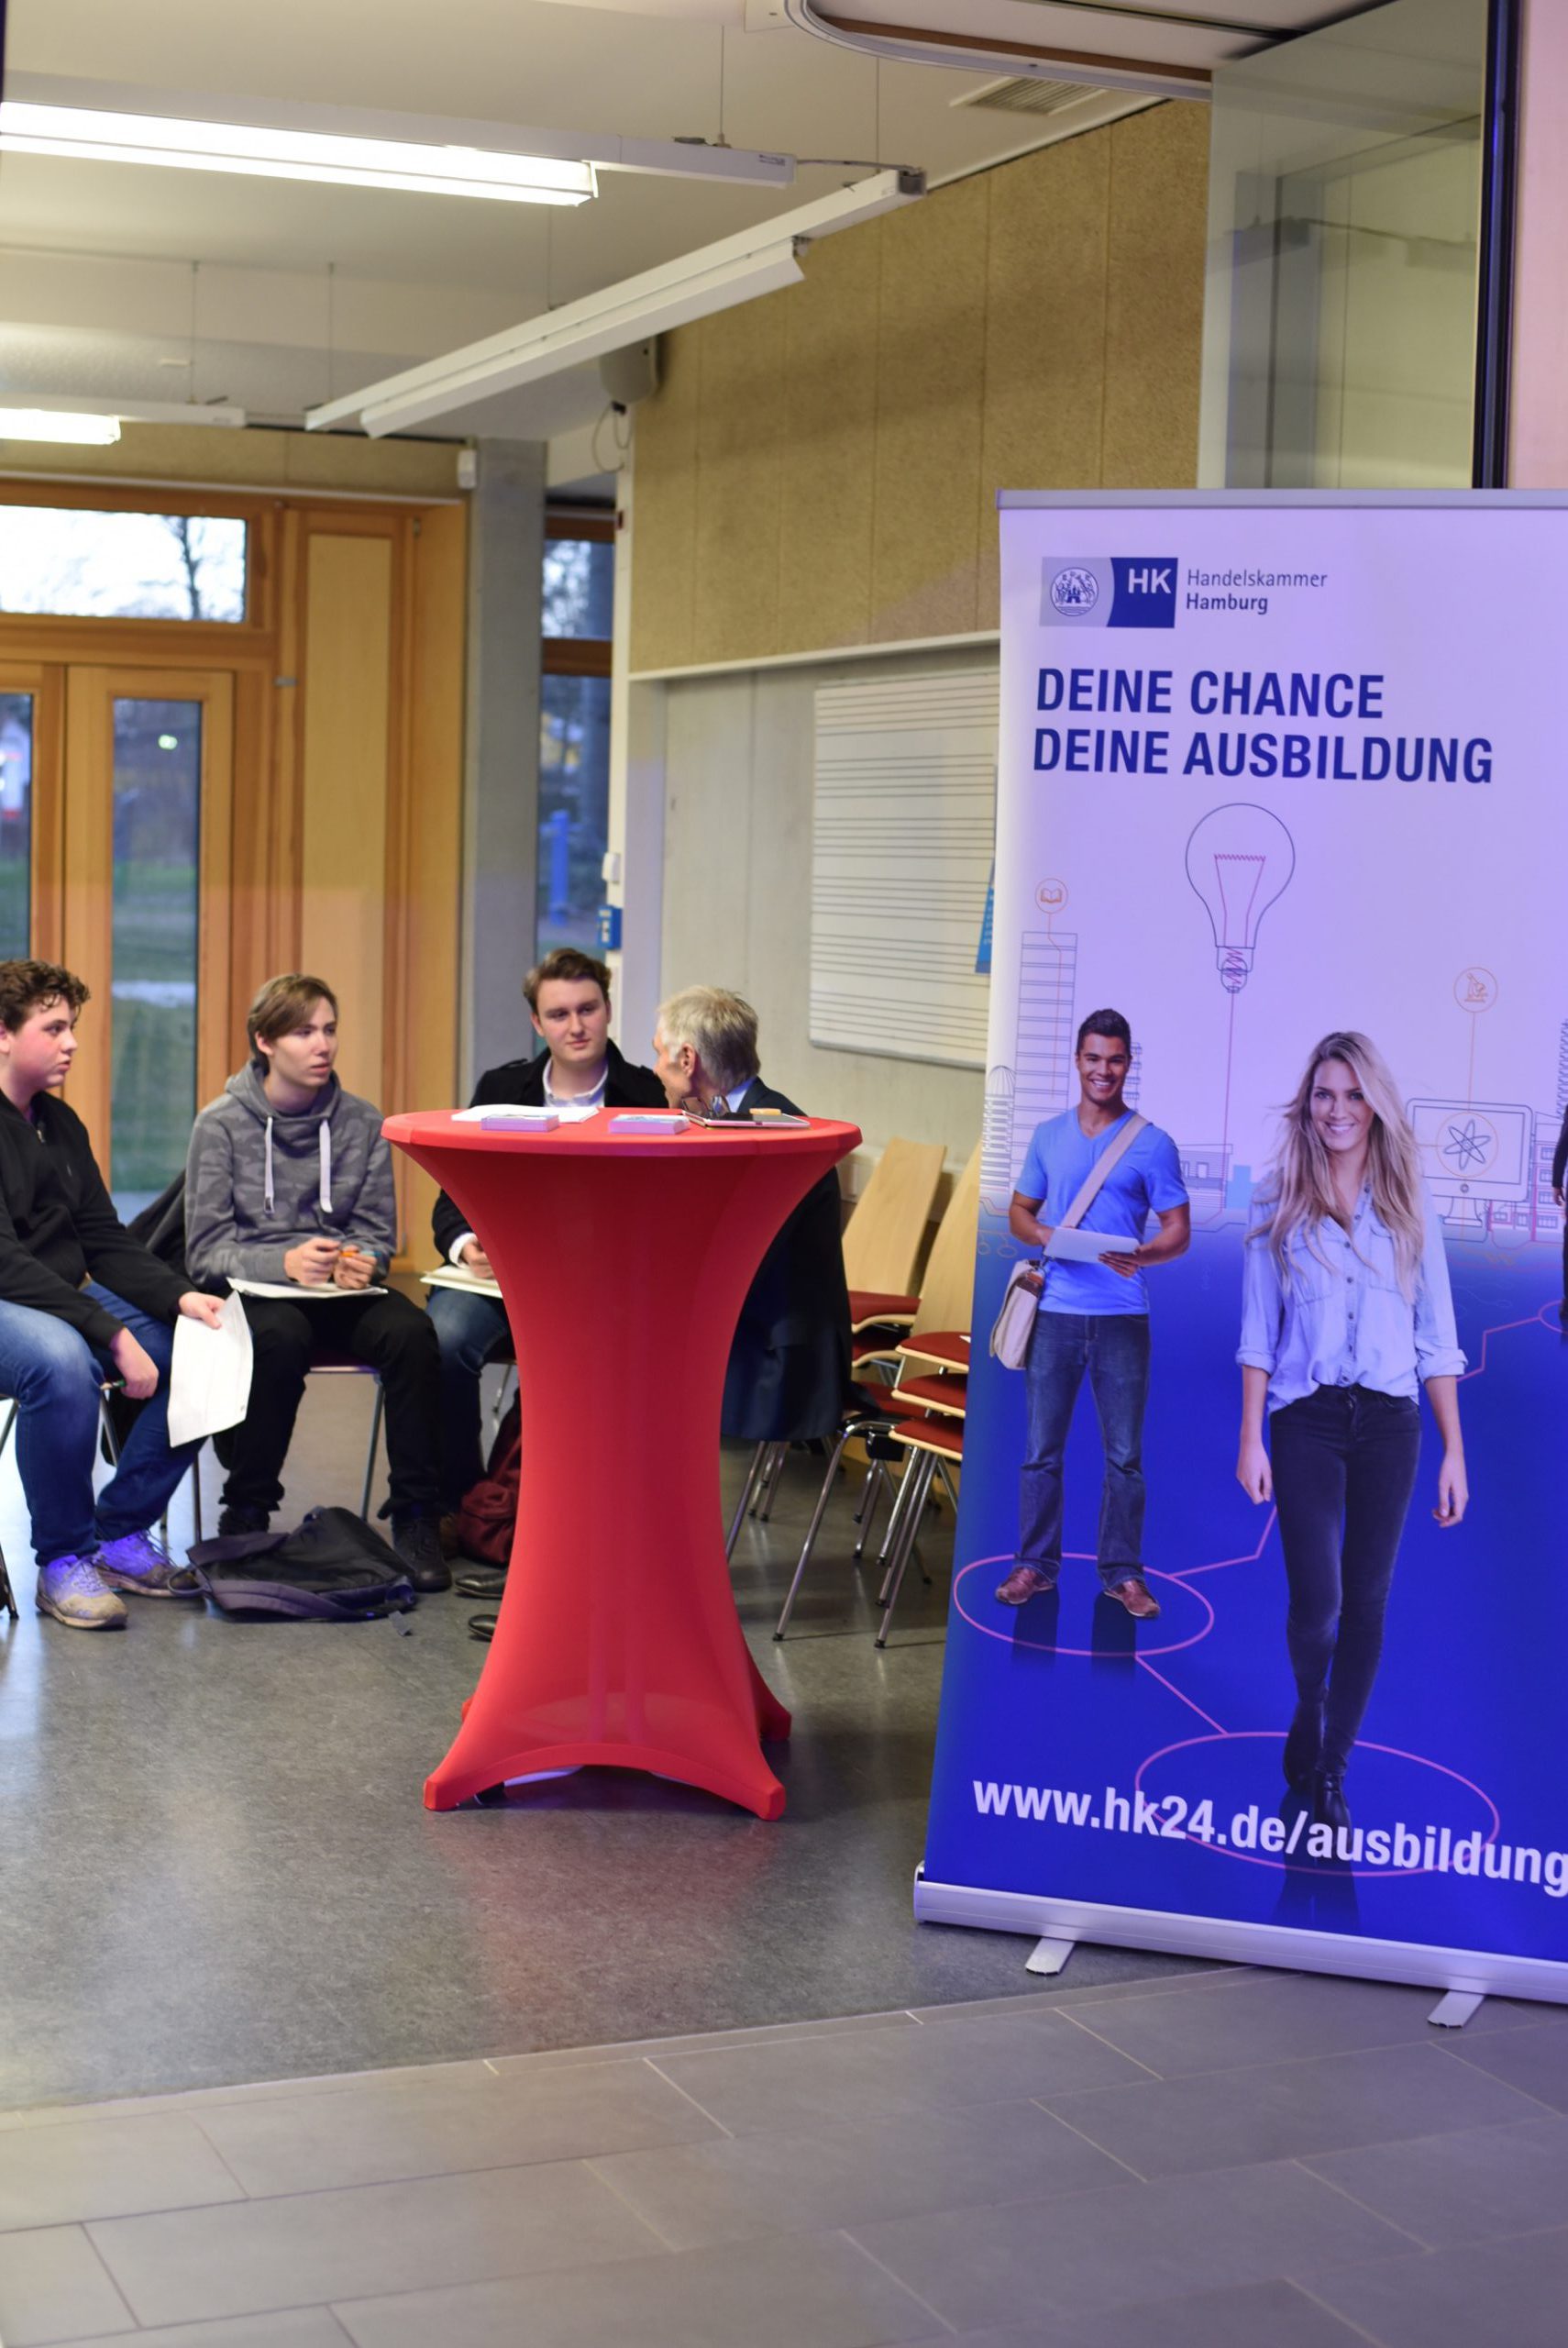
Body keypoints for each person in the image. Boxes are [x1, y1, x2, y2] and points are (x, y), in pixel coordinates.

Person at [1236, 1029, 1467, 1833]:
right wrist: (1251, 1437)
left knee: (1368, 1600)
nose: (1338, 1110)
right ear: (1308, 1104)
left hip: (1391, 1423)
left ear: (1376, 1105)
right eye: (1325, 1095)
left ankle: (1333, 1767)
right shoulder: (1276, 1199)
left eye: (1354, 1095)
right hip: (1306, 1418)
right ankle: (1311, 1703)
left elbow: (1438, 1337)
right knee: (1319, 1605)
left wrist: (1454, 1452)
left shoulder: (1410, 1204)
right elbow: (1259, 1333)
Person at [184, 972, 449, 1591]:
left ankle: (416, 1516)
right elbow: (205, 1254)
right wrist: (282, 1263)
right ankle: (246, 1509)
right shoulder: (220, 1125)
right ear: (265, 1041)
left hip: (338, 1293)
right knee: (280, 1339)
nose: (322, 1044)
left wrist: (366, 1260)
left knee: (413, 1333)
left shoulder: (361, 1122)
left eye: (329, 1030)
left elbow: (378, 1233)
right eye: (304, 1032)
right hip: (261, 1293)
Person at [0, 958, 226, 1630]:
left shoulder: (60, 1124)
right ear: (3, 1034)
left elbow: (101, 1238)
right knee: (62, 1360)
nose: (71, 1042)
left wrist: (180, 1298)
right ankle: (62, 1560)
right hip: (11, 1299)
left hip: (55, 1299)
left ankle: (119, 1534)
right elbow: (6, 1263)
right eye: (53, 1028)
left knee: (205, 1348)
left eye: (72, 1026)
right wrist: (113, 1333)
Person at [428, 947, 665, 1516]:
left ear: (608, 1010)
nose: (576, 1026)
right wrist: (467, 1247)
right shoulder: (500, 1087)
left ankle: (559, 1504)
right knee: (442, 1339)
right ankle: (465, 1502)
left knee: (612, 1348)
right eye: (559, 1014)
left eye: (587, 1009)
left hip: (603, 1286)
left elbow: (665, 1205)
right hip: (502, 1279)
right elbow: (453, 1198)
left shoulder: (648, 1094)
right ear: (537, 1023)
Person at [995, 1010, 1190, 1621]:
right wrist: (1045, 1234)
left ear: (1128, 1064)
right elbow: (1019, 1213)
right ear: (1077, 1061)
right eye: (1093, 1058)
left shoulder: (1154, 1144)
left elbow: (1178, 1231)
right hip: (1055, 1312)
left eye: (1115, 1059)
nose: (1103, 1070)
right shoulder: (1048, 1136)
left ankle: (1123, 1574)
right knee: (1040, 1451)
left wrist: (1145, 1255)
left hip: (1122, 1317)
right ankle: (1034, 1565)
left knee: (1124, 1457)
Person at [651, 986, 852, 1444]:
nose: (655, 1068)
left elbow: (739, 1258)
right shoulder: (723, 1118)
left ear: (688, 1060)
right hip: (745, 1331)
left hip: (777, 1354)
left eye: (659, 1054)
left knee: (638, 1374)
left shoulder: (778, 1136)